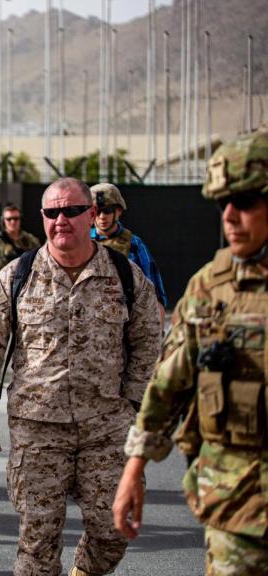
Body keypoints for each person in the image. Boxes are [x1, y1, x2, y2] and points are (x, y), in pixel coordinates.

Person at [0, 177, 162, 576]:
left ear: (90, 214)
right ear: (43, 217)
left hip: (106, 427)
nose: (61, 219)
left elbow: (148, 340)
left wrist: (135, 402)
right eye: (52, 212)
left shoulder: (124, 275)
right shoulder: (16, 277)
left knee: (114, 531)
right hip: (38, 430)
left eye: (71, 210)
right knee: (37, 544)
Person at [113, 127, 268, 575]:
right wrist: (133, 469)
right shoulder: (210, 287)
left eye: (247, 202)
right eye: (224, 204)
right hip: (235, 504)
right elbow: (168, 386)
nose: (231, 217)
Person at [90, 183, 169, 318]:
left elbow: (153, 293)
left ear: (119, 211)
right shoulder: (81, 242)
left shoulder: (134, 244)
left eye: (107, 210)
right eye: (97, 211)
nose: (102, 216)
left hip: (124, 320)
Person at [0, 203, 42, 305]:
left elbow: (41, 264)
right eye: (9, 219)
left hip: (25, 291)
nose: (13, 222)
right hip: (0, 292)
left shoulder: (30, 241)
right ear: (3, 221)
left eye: (16, 219)